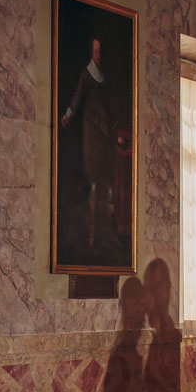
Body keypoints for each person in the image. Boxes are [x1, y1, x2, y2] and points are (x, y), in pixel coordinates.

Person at [61, 38, 115, 250]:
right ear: (91, 52)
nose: (97, 55)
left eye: (99, 52)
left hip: (104, 131)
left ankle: (107, 232)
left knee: (106, 181)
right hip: (90, 129)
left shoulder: (105, 78)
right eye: (94, 51)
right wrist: (67, 114)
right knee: (93, 177)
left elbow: (109, 106)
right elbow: (76, 97)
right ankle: (92, 233)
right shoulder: (86, 74)